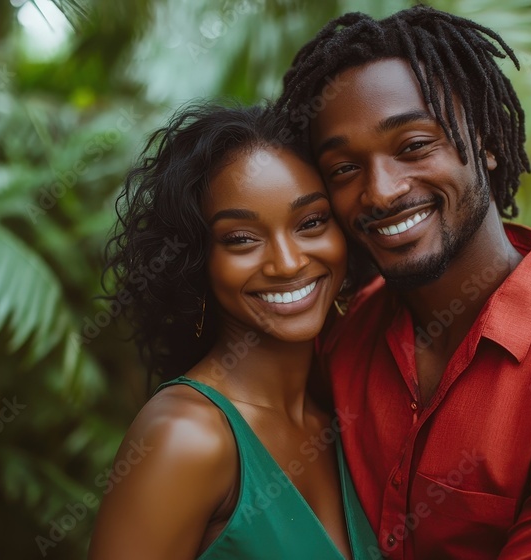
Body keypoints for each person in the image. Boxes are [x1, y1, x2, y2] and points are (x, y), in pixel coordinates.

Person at [274, 6, 531, 560]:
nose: (380, 191)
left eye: (414, 145)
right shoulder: (340, 339)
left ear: (488, 142)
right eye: (344, 169)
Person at [88, 103, 381, 559]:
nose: (287, 263)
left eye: (310, 223)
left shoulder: (346, 419)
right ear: (196, 261)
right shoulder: (185, 436)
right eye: (242, 238)